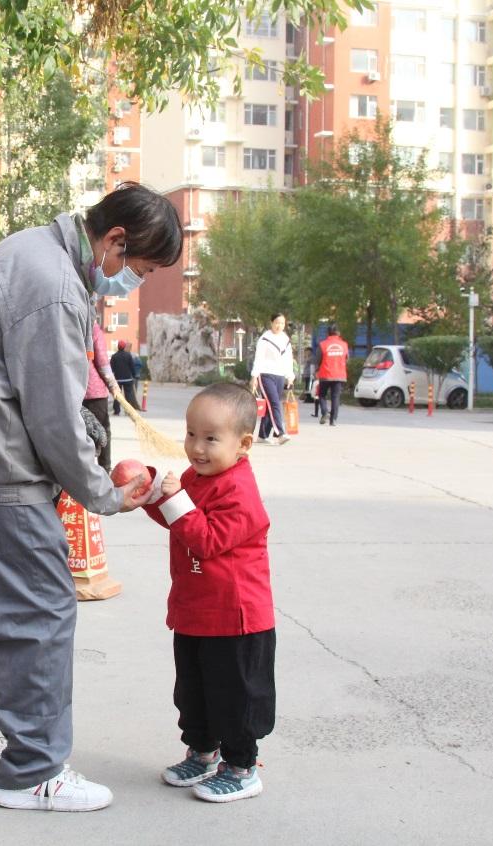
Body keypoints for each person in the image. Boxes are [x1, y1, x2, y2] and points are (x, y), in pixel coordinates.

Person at [0, 182, 183, 812]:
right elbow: (55, 415)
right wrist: (102, 493)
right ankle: (33, 770)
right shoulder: (56, 286)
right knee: (42, 614)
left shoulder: (28, 251)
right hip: (3, 476)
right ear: (114, 239)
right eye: (137, 269)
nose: (131, 283)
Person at [141, 382, 276, 803]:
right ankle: (200, 752)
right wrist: (148, 495)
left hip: (235, 619)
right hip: (196, 609)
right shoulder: (195, 478)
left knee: (234, 696)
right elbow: (180, 521)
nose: (197, 447)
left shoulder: (240, 491)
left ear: (244, 444)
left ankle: (240, 767)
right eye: (191, 434)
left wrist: (175, 500)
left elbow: (207, 539)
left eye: (211, 438)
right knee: (194, 690)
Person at [250, 312, 295, 444]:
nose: (279, 326)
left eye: (282, 323)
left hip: (280, 375)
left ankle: (262, 436)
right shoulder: (265, 339)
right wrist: (254, 377)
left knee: (271, 405)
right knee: (274, 403)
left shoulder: (285, 340)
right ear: (271, 323)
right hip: (265, 375)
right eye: (277, 323)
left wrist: (290, 377)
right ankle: (280, 433)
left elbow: (288, 360)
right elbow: (259, 359)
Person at [83, 320, 118, 471]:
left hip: (71, 392)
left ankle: (84, 469)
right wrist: (113, 385)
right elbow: (102, 360)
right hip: (93, 392)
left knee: (80, 434)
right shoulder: (92, 326)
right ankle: (104, 469)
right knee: (102, 432)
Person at [316, 323, 350, 426]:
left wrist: (317, 370)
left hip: (325, 374)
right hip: (339, 375)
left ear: (328, 333)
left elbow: (318, 359)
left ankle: (325, 412)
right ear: (338, 333)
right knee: (335, 397)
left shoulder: (322, 344)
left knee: (322, 395)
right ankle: (333, 420)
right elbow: (347, 359)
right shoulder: (344, 345)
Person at [109, 339, 140, 414]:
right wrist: (134, 375)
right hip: (128, 379)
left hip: (118, 379)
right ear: (124, 347)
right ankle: (128, 411)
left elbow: (111, 368)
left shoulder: (114, 356)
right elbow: (132, 366)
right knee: (128, 395)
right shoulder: (128, 355)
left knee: (117, 395)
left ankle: (117, 411)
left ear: (118, 347)